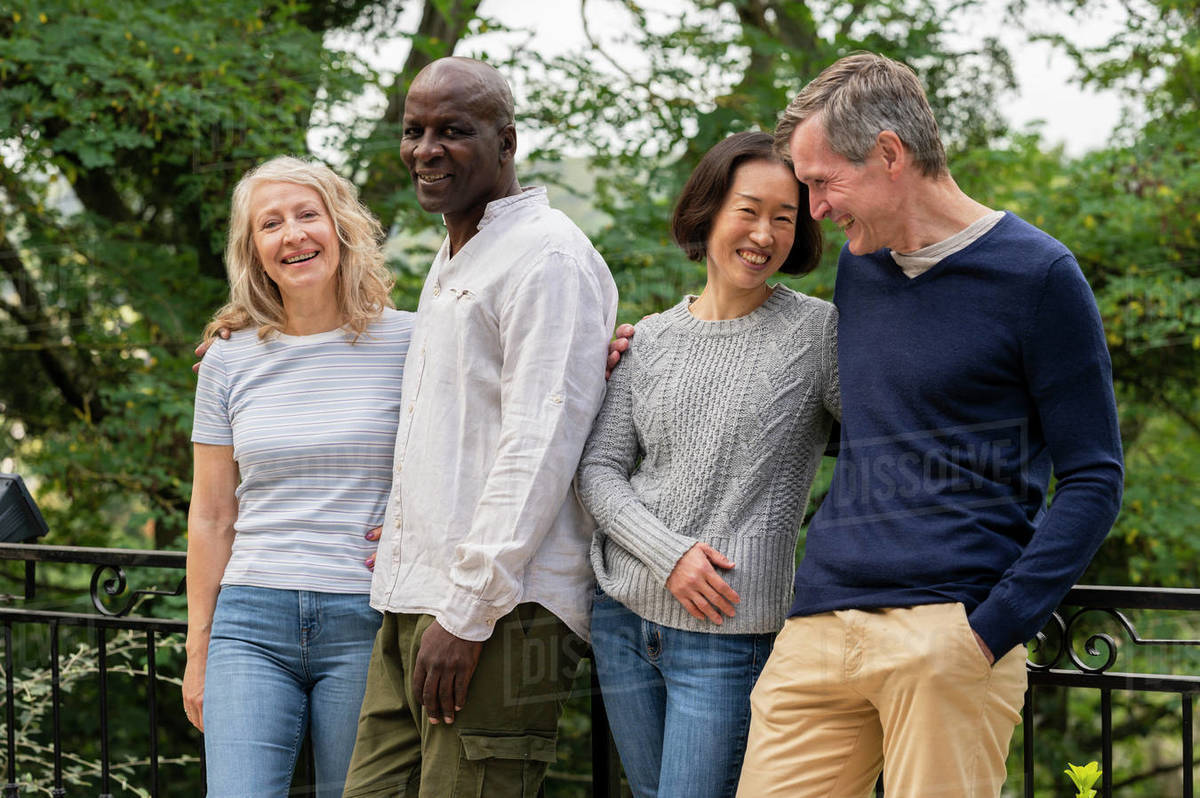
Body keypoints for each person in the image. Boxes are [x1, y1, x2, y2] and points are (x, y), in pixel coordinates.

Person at [734, 52, 1124, 797]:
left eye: (822, 182)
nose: (814, 207)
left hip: (947, 638)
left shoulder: (1039, 278)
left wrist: (990, 630)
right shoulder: (863, 264)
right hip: (818, 626)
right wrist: (639, 348)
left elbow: (1094, 477)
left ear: (889, 154)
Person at [341, 57, 618, 797]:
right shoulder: (456, 251)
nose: (426, 149)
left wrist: (466, 616)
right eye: (414, 130)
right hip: (413, 597)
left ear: (507, 142)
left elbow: (540, 442)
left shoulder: (549, 256)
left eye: (453, 131)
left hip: (500, 614)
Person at [576, 131, 835, 798]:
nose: (764, 233)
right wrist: (670, 554)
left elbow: (890, 435)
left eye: (785, 217)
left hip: (727, 635)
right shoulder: (651, 337)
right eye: (749, 210)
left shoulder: (820, 334)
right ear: (710, 212)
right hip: (622, 619)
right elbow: (599, 471)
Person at [185, 155, 411, 797]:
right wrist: (198, 648)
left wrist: (612, 346)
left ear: (341, 229)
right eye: (271, 224)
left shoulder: (414, 343)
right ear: (254, 251)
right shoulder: (228, 358)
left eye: (308, 215)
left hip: (364, 620)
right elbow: (210, 514)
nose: (293, 235)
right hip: (250, 620)